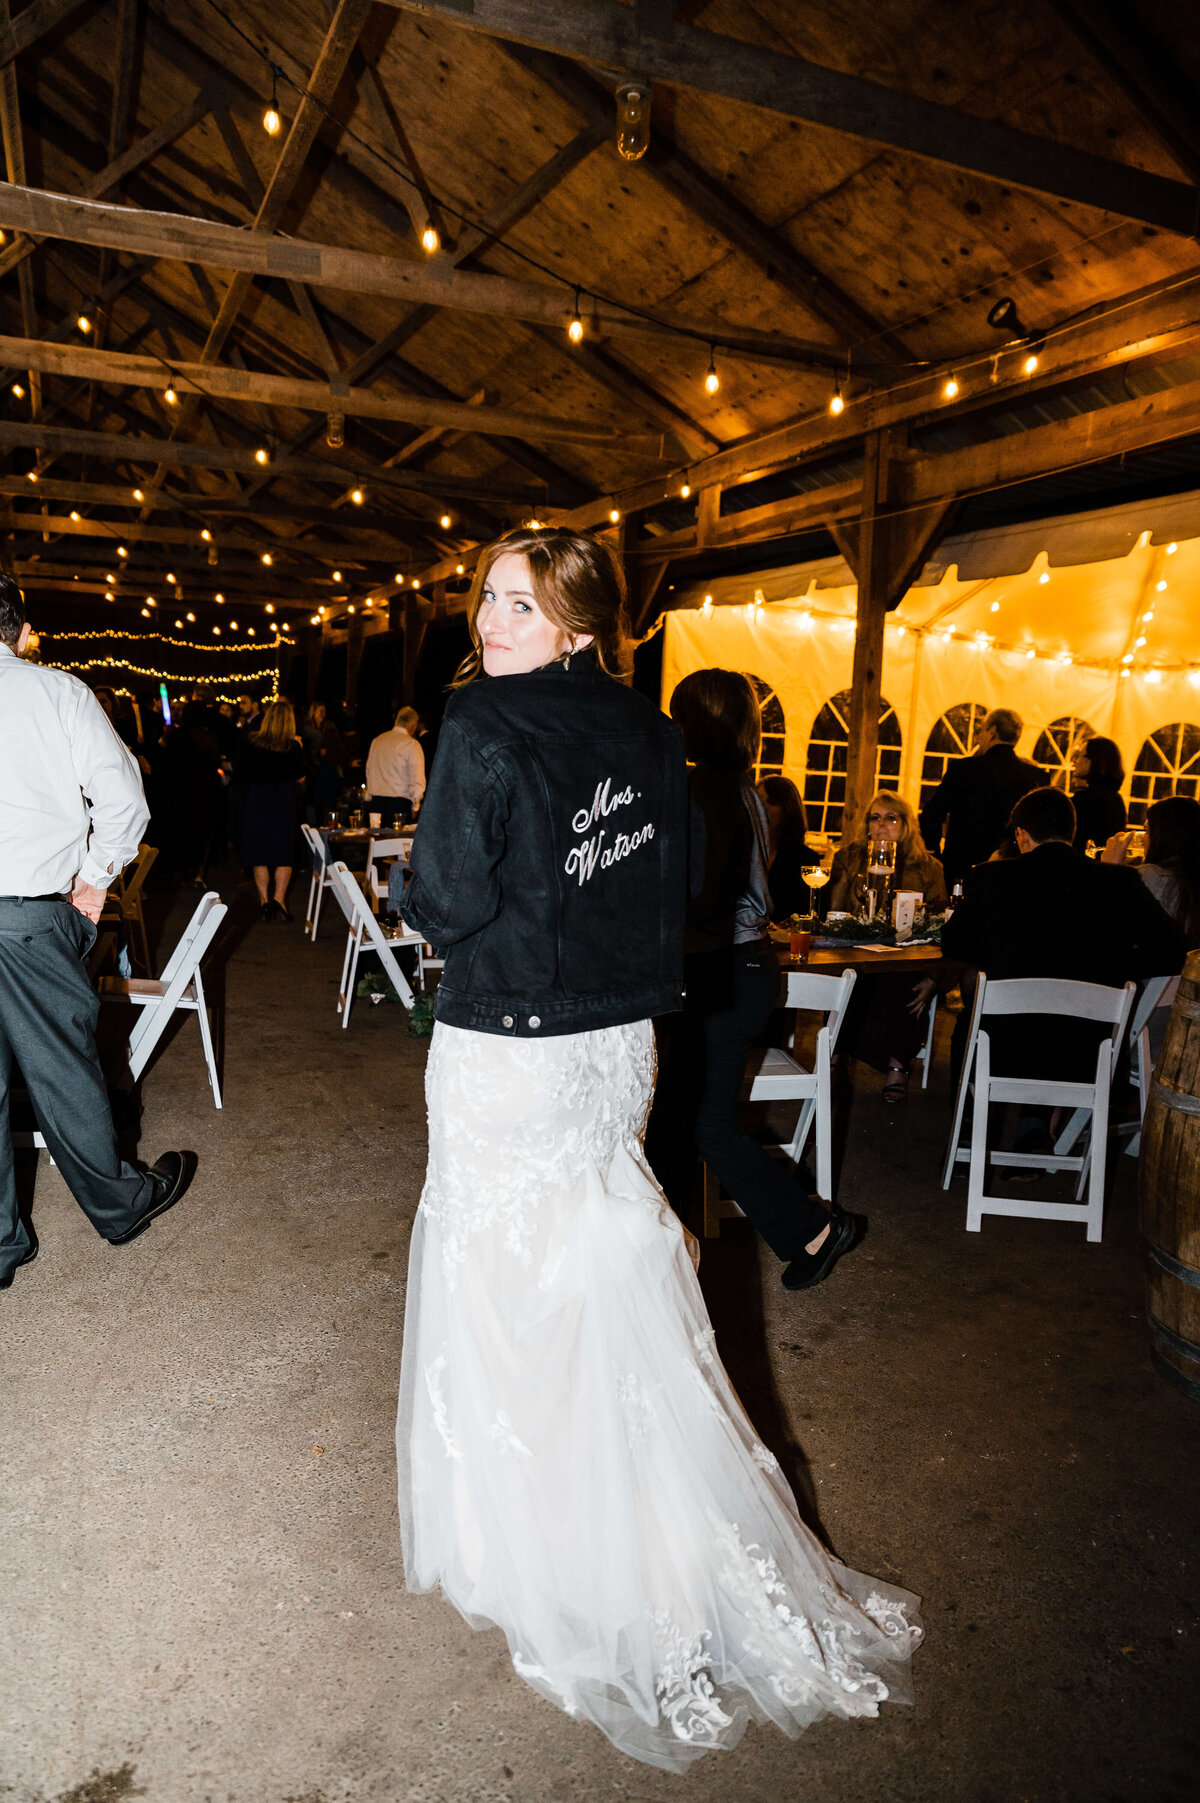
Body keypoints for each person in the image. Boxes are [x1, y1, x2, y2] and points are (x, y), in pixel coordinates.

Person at [396, 530, 921, 1770]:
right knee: (589, 1267)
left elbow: (447, 898)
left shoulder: (480, 724)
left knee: (505, 1277)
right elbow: (681, 881)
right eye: (487, 598)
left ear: (576, 625)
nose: (490, 620)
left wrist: (438, 899)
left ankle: (534, 1535)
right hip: (615, 1049)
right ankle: (636, 1528)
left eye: (519, 605)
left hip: (512, 1047)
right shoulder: (651, 731)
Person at [0, 577, 194, 1289]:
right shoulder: (58, 692)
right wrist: (93, 881)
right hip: (30, 913)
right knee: (60, 1064)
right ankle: (119, 1205)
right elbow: (124, 800)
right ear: (21, 632)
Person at [647, 669, 860, 1285]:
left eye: (677, 714)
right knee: (697, 1121)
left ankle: (808, 1229)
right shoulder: (741, 787)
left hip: (721, 970)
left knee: (695, 1122)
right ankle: (802, 1232)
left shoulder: (705, 789)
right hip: (746, 966)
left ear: (692, 721)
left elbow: (702, 899)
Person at [942, 785, 1185, 1081]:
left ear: (1021, 834)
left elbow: (954, 944)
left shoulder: (991, 877)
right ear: (1072, 832)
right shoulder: (1120, 881)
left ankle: (969, 1123)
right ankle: (1038, 1122)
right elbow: (1173, 953)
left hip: (1004, 1048)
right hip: (1088, 1052)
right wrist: (1117, 964)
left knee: (966, 1021)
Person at [828, 792, 948, 1103]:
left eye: (891, 818)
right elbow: (834, 913)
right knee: (852, 976)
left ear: (906, 826)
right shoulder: (848, 857)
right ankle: (836, 1058)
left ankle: (898, 1067)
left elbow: (942, 928)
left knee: (903, 981)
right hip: (855, 951)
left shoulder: (928, 866)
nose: (882, 825)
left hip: (906, 957)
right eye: (875, 818)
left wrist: (934, 978)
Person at [919, 708, 1041, 889]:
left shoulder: (963, 769)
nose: (978, 737)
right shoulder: (1035, 777)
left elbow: (931, 815)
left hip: (961, 870)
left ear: (992, 731)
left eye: (981, 731)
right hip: (1015, 872)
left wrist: (936, 857)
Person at [1103, 794, 1200, 943]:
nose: (1142, 838)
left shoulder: (1150, 876)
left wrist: (1112, 870)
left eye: (1148, 831)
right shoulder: (1188, 878)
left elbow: (1112, 924)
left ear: (1164, 836)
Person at [239, 699, 304, 921]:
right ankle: (279, 899)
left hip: (257, 798)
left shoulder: (252, 741)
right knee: (283, 852)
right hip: (282, 799)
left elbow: (243, 771)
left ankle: (264, 901)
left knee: (260, 853)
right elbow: (300, 775)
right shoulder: (292, 746)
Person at [757, 773, 820, 917]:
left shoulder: (805, 859)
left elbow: (807, 913)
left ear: (788, 809)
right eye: (759, 801)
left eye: (771, 802)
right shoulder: (742, 851)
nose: (763, 808)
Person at [365, 705, 425, 828]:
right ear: (413, 726)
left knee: (378, 842)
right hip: (399, 803)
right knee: (397, 843)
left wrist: (368, 797)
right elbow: (417, 778)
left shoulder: (377, 741)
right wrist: (416, 805)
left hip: (377, 802)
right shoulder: (412, 744)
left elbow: (369, 771)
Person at [1070, 735, 1126, 852]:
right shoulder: (1116, 799)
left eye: (1080, 755)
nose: (1075, 760)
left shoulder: (1085, 799)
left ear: (1095, 761)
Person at [301, 700, 345, 824]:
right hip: (312, 770)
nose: (323, 714)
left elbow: (339, 747)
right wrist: (315, 754)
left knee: (328, 803)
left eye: (324, 712)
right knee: (313, 803)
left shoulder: (330, 728)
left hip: (327, 769)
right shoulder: (307, 729)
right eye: (320, 711)